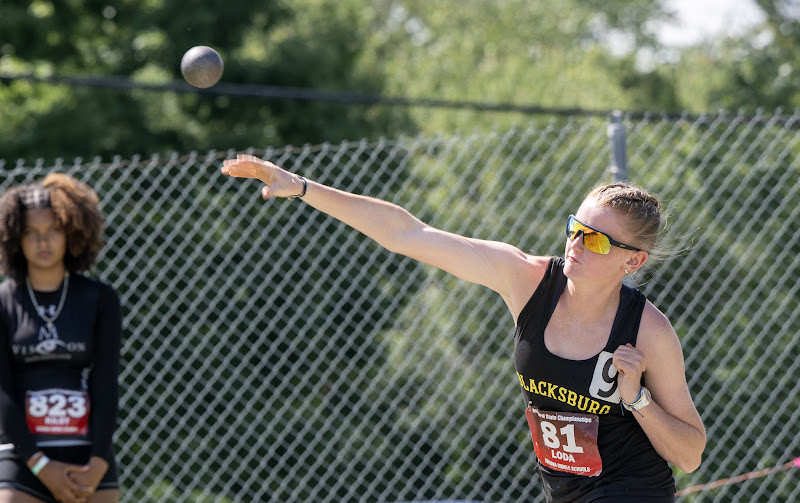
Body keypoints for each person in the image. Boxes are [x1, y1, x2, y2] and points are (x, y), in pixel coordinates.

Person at [221, 154, 706, 503]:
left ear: (633, 261)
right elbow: (408, 233)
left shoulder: (648, 332)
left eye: (596, 240)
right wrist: (300, 187)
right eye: (574, 228)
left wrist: (637, 399)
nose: (577, 244)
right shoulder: (527, 281)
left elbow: (689, 455)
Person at [0, 174, 122, 503]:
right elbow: (2, 392)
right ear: (15, 238)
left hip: (88, 454)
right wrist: (40, 465)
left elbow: (106, 383)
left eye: (53, 230)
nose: (43, 241)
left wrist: (98, 461)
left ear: (70, 232)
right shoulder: (4, 301)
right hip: (23, 454)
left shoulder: (100, 298)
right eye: (31, 232)